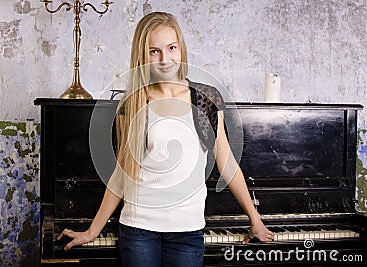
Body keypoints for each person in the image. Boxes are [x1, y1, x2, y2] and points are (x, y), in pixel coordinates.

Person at [57, 11, 274, 266]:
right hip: (139, 229)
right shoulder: (133, 102)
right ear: (142, 56)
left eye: (171, 48)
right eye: (153, 51)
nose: (164, 59)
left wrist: (255, 219)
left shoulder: (206, 99)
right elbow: (122, 172)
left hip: (188, 231)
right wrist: (93, 231)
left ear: (181, 48)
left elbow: (227, 164)